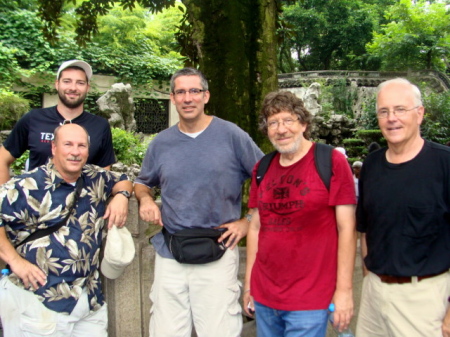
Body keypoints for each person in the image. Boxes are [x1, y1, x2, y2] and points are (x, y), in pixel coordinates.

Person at [134, 67, 263, 337]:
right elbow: (142, 182)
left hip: (217, 249)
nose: (188, 98)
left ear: (206, 96)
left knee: (219, 331)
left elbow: (269, 178)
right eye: (181, 92)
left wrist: (247, 221)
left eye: (194, 91)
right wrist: (145, 198)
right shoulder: (162, 143)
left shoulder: (231, 135)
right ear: (173, 98)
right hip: (171, 252)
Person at [0, 123, 132, 336]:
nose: (75, 152)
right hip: (38, 302)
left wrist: (121, 196)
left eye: (81, 146)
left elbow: (124, 180)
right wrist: (16, 262)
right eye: (68, 144)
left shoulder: (95, 178)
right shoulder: (27, 186)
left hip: (88, 303)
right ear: (54, 148)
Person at [243, 91, 357, 337]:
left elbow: (347, 228)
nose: (281, 129)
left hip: (310, 299)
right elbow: (254, 228)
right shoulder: (262, 168)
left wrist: (344, 290)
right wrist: (249, 286)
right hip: (265, 297)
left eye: (288, 120)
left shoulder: (331, 161)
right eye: (273, 123)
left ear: (303, 124)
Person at [356, 78, 450, 337]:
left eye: (400, 109)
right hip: (373, 295)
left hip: (423, 299)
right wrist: (368, 277)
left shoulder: (445, 164)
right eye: (384, 111)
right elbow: (366, 229)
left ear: (419, 114)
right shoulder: (371, 166)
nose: (391, 118)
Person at [0, 60, 116, 185]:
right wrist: (6, 198)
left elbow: (105, 174)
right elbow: (2, 159)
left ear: (87, 88)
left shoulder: (100, 125)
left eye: (80, 83)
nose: (73, 88)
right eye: (67, 81)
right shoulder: (33, 118)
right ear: (57, 84)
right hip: (37, 201)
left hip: (81, 201)